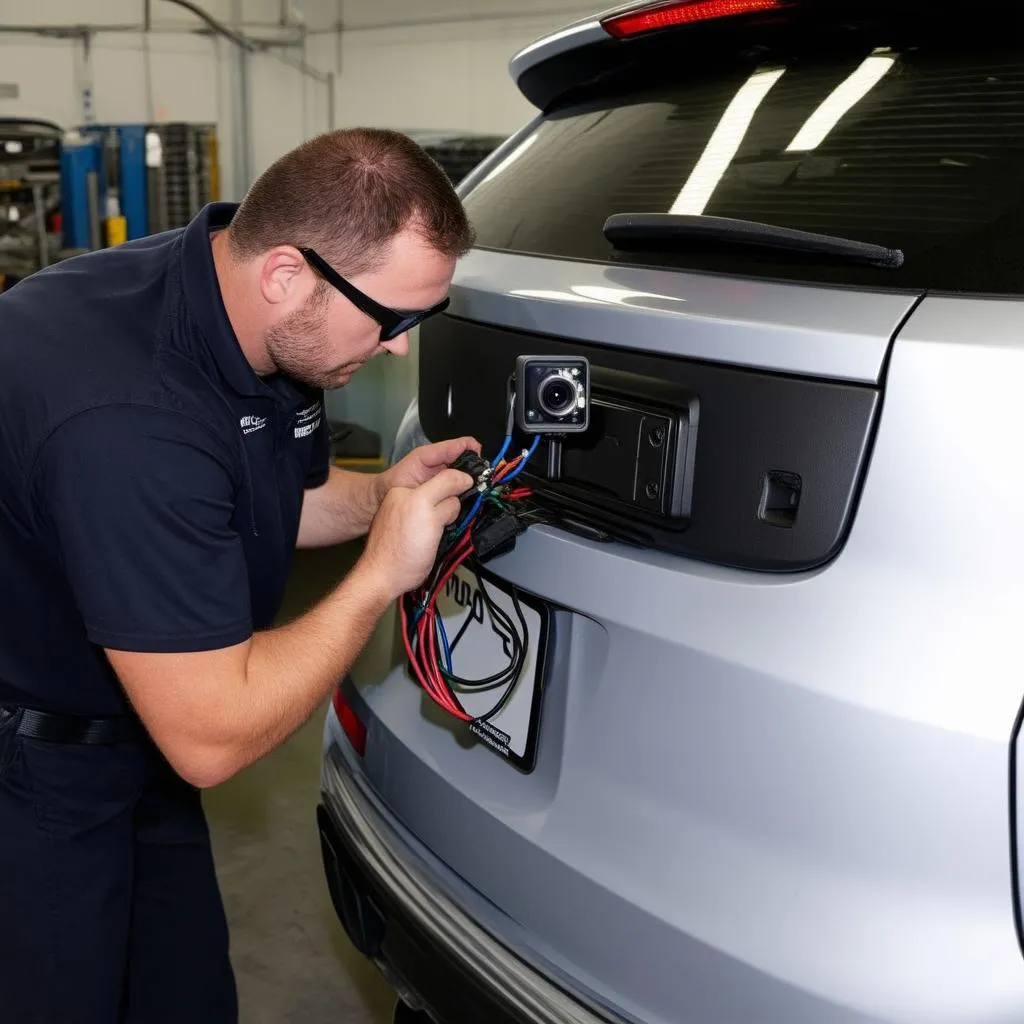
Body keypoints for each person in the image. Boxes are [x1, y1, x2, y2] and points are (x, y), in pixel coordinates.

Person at [0, 127, 480, 1023]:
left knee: (183, 998)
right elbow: (212, 738)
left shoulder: (255, 314)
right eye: (390, 319)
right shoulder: (127, 420)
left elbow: (276, 500)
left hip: (136, 745)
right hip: (31, 774)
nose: (398, 351)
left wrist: (384, 499)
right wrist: (379, 577)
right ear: (287, 275)